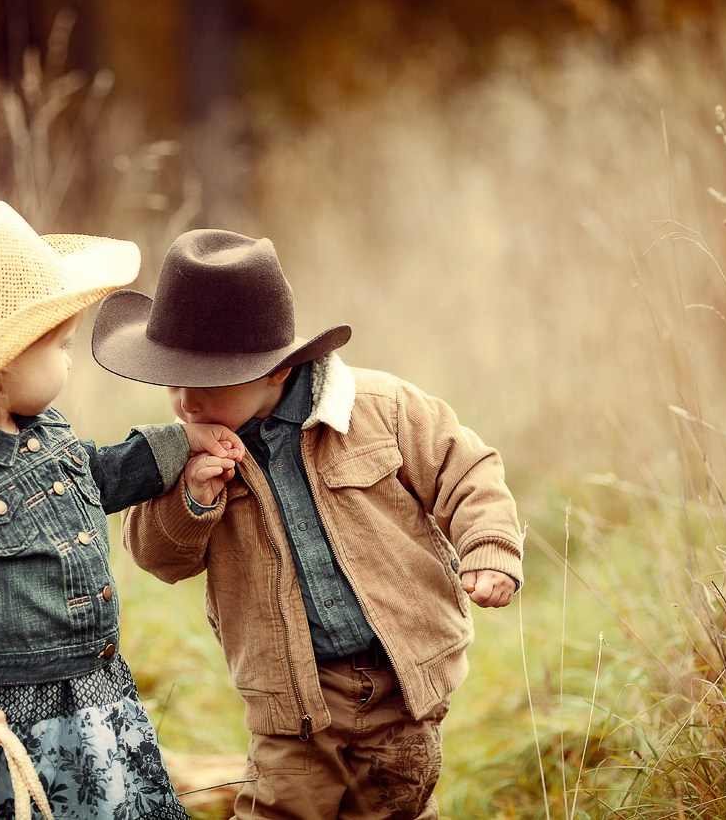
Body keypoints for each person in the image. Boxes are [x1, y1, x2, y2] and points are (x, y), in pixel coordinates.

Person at [90, 229, 524, 819]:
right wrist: (190, 498)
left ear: (277, 370)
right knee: (277, 809)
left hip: (401, 685)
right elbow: (155, 556)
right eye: (172, 381)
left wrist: (489, 547)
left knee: (393, 808)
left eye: (206, 383)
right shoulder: (184, 454)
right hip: (291, 697)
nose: (186, 402)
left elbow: (467, 470)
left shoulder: (380, 409)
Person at [0, 201, 243, 820]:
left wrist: (179, 443)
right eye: (61, 346)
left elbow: (99, 473)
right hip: (5, 720)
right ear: (2, 363)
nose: (70, 359)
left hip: (92, 705)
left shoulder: (46, 432)